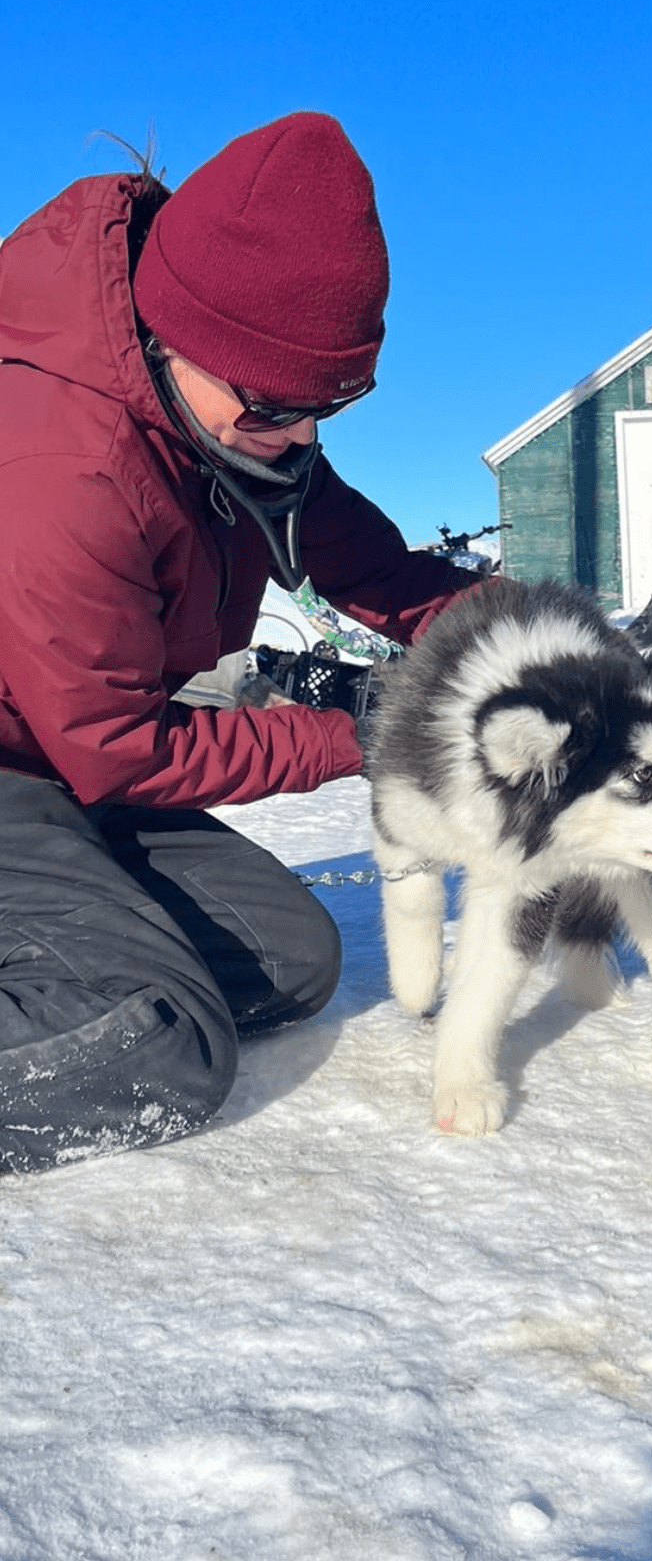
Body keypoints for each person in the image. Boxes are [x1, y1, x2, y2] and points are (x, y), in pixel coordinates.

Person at [0, 111, 479, 1172]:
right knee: (162, 1041)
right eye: (273, 409)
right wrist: (363, 730)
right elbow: (119, 749)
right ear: (177, 340)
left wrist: (529, 641)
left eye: (325, 411)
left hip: (67, 762)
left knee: (291, 961)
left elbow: (387, 576)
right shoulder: (58, 466)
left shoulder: (246, 431)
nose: (302, 443)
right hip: (35, 763)